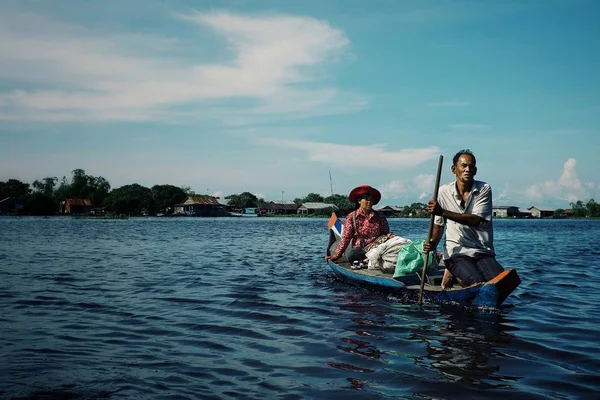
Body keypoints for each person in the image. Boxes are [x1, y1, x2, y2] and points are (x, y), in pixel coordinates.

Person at [423, 149, 504, 289]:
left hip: (482, 251)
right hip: (456, 252)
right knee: (477, 282)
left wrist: (442, 211)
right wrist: (433, 243)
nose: (467, 169)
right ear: (454, 169)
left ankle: (455, 275)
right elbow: (439, 225)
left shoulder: (484, 189)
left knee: (499, 282)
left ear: (475, 170)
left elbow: (475, 220)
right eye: (464, 165)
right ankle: (453, 271)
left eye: (471, 166)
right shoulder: (443, 191)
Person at [325, 185, 394, 267]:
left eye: (371, 200)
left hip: (378, 248)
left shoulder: (380, 216)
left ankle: (371, 259)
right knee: (352, 255)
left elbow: (386, 233)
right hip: (362, 250)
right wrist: (336, 256)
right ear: (359, 201)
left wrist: (392, 237)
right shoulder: (352, 217)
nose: (369, 202)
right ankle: (371, 259)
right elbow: (345, 238)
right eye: (367, 200)